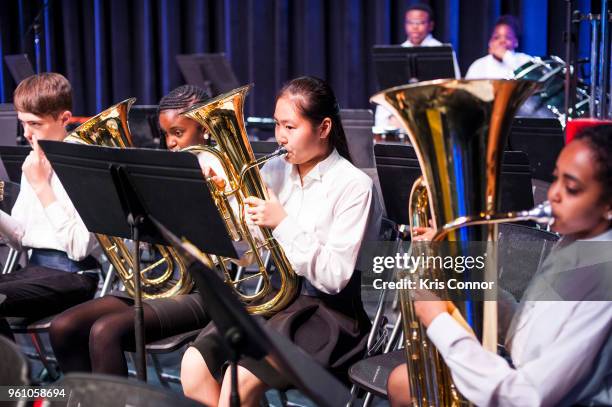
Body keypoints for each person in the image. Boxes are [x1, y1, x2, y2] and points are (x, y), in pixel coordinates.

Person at [180, 76, 383, 406]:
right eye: (276, 125)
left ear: (324, 127)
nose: (280, 137)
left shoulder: (354, 185)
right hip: (277, 299)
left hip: (330, 315)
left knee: (239, 383)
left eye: (290, 127)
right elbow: (248, 251)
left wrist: (282, 223)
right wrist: (226, 205)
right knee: (193, 368)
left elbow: (334, 278)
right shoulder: (274, 169)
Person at [386, 124, 612, 406]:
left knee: (407, 384)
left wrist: (440, 321)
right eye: (555, 180)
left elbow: (527, 397)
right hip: (521, 377)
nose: (553, 194)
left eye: (572, 188)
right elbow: (527, 334)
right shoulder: (575, 244)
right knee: (402, 382)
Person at [48, 85, 213, 375]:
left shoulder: (219, 170)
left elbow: (241, 251)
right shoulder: (163, 169)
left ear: (205, 128)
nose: (171, 143)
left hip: (204, 292)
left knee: (105, 332)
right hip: (160, 285)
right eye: (166, 134)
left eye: (178, 133)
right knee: (64, 327)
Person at [0, 73, 101, 340]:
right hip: (36, 270)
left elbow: (80, 248)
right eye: (23, 124)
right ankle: (15, 380)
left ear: (65, 119)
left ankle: (16, 379)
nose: (27, 134)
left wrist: (43, 188)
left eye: (35, 124)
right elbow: (21, 239)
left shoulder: (84, 164)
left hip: (76, 274)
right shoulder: (33, 161)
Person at [375, 3, 459, 131]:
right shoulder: (397, 53)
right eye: (410, 23)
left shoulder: (442, 51)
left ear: (430, 25)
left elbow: (454, 85)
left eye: (420, 23)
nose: (415, 27)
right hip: (403, 112)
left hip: (433, 112)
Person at [465, 15, 532, 79]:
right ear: (490, 42)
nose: (502, 41)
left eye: (508, 37)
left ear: (516, 42)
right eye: (496, 37)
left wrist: (506, 56)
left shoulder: (525, 60)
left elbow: (530, 80)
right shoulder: (478, 65)